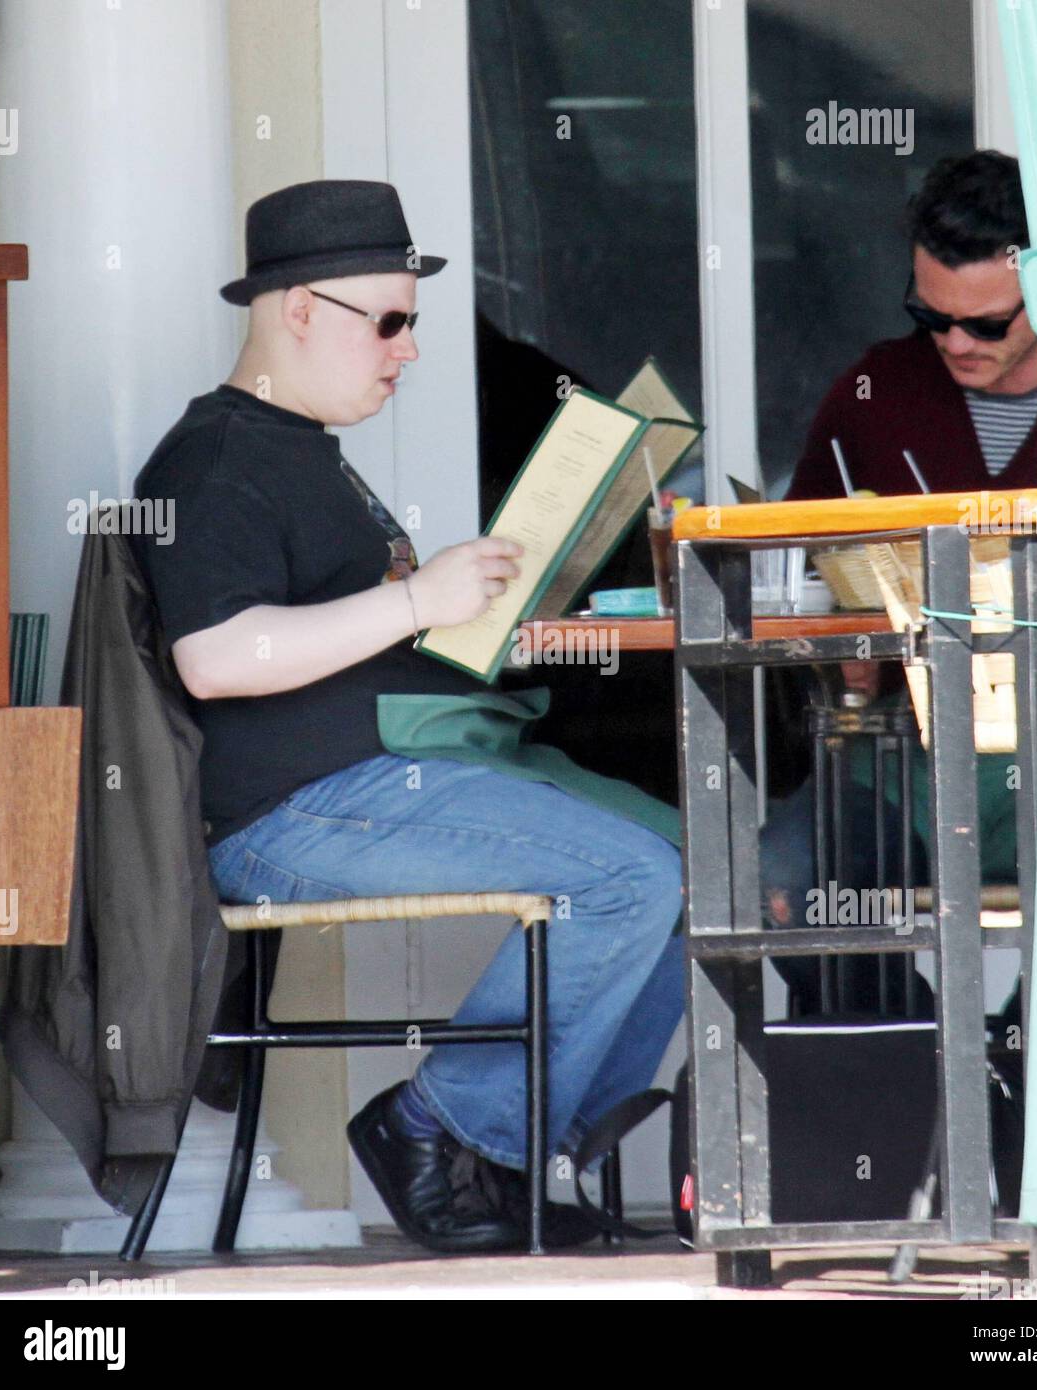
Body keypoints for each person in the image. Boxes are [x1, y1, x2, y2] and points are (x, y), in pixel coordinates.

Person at [128, 180, 684, 1253]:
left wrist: (467, 608)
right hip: (293, 812)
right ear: (299, 308)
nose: (408, 350)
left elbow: (342, 632)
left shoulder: (296, 450)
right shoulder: (214, 461)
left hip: (371, 781)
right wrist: (418, 599)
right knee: (632, 876)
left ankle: (515, 1149)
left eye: (410, 323)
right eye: (387, 320)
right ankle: (442, 1129)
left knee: (690, 863)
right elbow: (214, 658)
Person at [762, 151, 1037, 1018]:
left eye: (988, 325)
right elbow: (799, 575)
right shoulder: (871, 392)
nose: (956, 342)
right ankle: (926, 1086)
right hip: (913, 755)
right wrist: (841, 651)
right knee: (780, 882)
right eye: (932, 316)